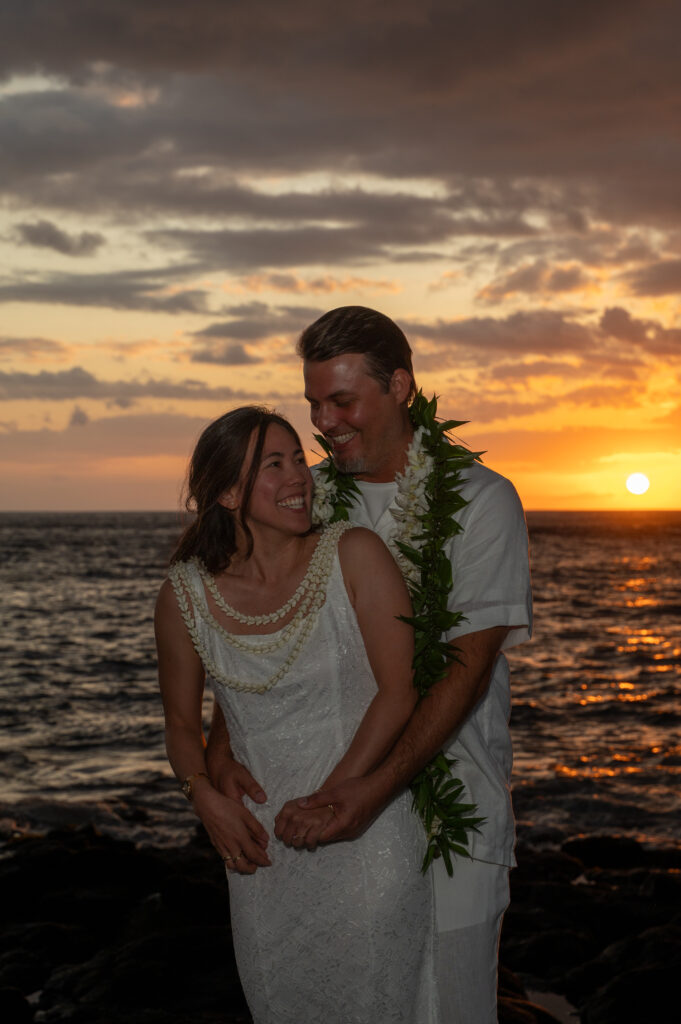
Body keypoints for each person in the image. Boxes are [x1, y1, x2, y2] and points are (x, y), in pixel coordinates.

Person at [207, 309, 532, 1023]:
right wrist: (218, 758)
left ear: (400, 386)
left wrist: (372, 791)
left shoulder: (482, 503)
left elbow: (463, 670)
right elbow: (255, 631)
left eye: (342, 401)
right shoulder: (307, 500)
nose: (323, 421)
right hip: (318, 813)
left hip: (448, 818)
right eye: (313, 404)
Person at [154, 405, 442, 1024]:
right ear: (228, 492)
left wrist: (337, 795)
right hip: (258, 854)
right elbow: (181, 725)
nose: (300, 477)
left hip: (367, 835)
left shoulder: (355, 555)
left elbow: (400, 689)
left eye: (299, 460)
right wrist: (203, 795)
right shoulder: (184, 595)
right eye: (274, 464)